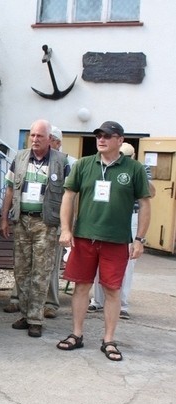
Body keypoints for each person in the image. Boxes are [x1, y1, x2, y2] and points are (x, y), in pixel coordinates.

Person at [57, 121, 151, 361]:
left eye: (108, 136)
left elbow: (145, 203)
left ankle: (109, 340)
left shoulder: (133, 168)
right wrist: (66, 229)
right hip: (84, 237)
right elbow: (69, 197)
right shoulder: (84, 165)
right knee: (81, 287)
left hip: (117, 240)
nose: (102, 139)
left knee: (112, 289)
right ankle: (76, 335)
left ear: (120, 140)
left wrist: (139, 239)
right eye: (99, 135)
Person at [0, 119, 69, 338]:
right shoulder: (20, 158)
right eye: (32, 135)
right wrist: (4, 218)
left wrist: (67, 227)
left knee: (41, 272)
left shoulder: (61, 161)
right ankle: (24, 314)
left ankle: (36, 318)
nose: (35, 140)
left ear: (50, 139)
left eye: (40, 136)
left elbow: (69, 196)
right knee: (22, 271)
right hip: (22, 221)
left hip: (46, 223)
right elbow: (10, 190)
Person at [88, 142, 155, 320]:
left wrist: (137, 175)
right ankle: (97, 300)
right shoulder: (103, 165)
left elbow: (150, 194)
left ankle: (122, 304)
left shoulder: (140, 168)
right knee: (98, 259)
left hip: (130, 216)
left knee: (127, 264)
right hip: (106, 216)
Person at [43, 126, 77, 318]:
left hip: (56, 221)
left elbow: (72, 197)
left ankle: (51, 303)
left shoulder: (69, 163)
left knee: (52, 264)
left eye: (52, 139)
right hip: (34, 219)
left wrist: (68, 227)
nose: (48, 142)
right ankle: (20, 300)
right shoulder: (34, 158)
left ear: (58, 142)